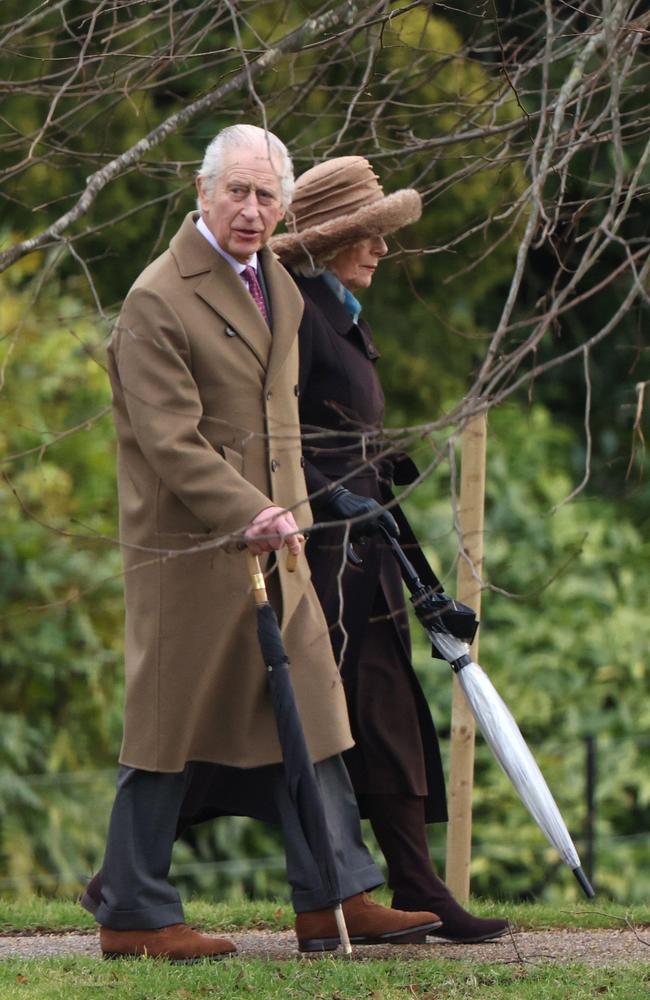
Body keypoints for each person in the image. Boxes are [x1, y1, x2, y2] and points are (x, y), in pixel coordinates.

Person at [83, 127, 443, 962]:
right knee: (168, 734)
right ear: (201, 193)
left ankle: (336, 900)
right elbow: (170, 442)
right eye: (237, 192)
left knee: (313, 712)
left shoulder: (275, 281)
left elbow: (281, 420)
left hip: (278, 545)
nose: (251, 210)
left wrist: (293, 515)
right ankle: (133, 912)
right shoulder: (157, 298)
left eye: (266, 195)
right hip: (191, 555)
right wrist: (251, 511)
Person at [269, 156, 508, 943]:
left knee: (389, 712)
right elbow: (271, 438)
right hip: (322, 561)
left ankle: (416, 884)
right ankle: (127, 885)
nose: (380, 249)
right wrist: (329, 492)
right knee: (277, 731)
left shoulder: (338, 312)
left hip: (368, 551)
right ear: (330, 242)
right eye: (367, 236)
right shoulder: (297, 316)